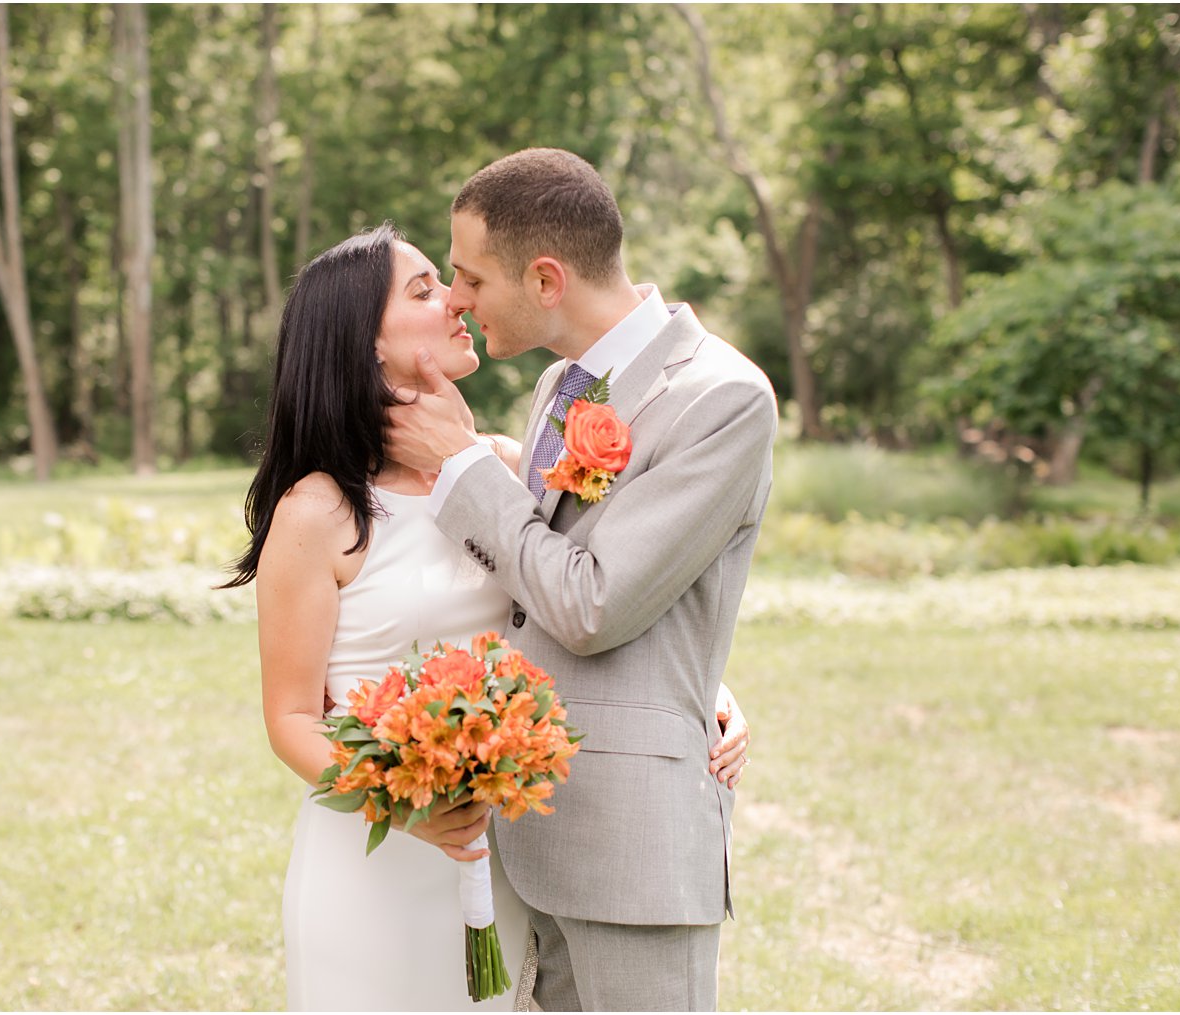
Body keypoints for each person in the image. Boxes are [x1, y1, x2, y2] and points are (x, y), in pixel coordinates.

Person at [223, 222, 752, 1011]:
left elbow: (579, 592)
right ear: (364, 344)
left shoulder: (502, 465)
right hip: (377, 862)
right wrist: (409, 809)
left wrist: (703, 686)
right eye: (425, 289)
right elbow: (292, 718)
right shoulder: (319, 511)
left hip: (500, 864)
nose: (457, 300)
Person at [384, 148, 778, 1011]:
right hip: (533, 833)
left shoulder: (720, 397)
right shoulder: (562, 385)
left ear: (548, 278)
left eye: (469, 277)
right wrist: (699, 677)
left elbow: (594, 600)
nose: (454, 299)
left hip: (633, 848)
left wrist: (460, 468)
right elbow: (544, 575)